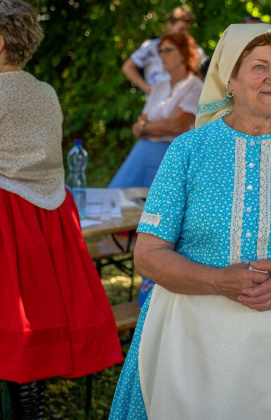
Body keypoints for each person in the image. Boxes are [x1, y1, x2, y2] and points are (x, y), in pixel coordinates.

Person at [109, 23, 271, 419]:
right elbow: (147, 255)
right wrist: (216, 280)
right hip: (192, 341)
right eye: (259, 67)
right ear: (229, 78)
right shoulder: (187, 150)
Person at [0, 1, 123, 418]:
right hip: (45, 213)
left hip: (6, 214)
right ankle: (29, 404)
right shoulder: (45, 92)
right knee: (23, 315)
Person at [110, 32, 203, 306]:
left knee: (159, 224)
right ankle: (143, 282)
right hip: (143, 156)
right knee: (121, 206)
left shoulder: (194, 86)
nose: (162, 56)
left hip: (169, 161)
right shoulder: (160, 87)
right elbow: (140, 122)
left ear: (185, 55)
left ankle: (152, 292)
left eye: (168, 50)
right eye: (160, 51)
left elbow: (179, 125)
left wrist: (147, 127)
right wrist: (147, 127)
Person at [121, 5, 205, 95]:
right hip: (157, 104)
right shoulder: (152, 47)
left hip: (184, 103)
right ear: (169, 26)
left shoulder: (194, 50)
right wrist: (147, 88)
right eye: (181, 29)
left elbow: (202, 77)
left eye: (187, 30)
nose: (185, 34)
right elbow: (127, 67)